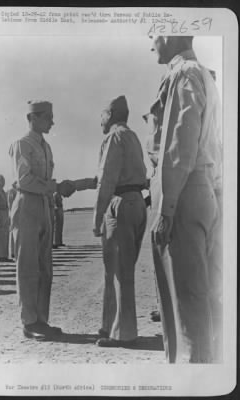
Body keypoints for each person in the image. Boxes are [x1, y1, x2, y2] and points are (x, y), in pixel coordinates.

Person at [147, 36, 222, 363]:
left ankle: (190, 384)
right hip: (200, 188)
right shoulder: (202, 73)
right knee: (198, 303)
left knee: (185, 310)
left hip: (184, 190)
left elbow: (180, 144)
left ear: (171, 34)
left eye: (154, 32)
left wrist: (167, 208)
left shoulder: (184, 73)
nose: (151, 41)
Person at [9, 100, 75, 340]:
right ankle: (29, 322)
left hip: (44, 205)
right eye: (48, 117)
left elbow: (44, 181)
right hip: (27, 204)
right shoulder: (22, 145)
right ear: (33, 118)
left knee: (45, 267)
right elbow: (24, 180)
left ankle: (41, 320)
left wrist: (56, 188)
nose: (52, 122)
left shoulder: (46, 147)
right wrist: (55, 186)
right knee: (27, 266)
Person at [92, 95, 148, 347]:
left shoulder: (113, 137)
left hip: (120, 204)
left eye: (102, 114)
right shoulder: (133, 136)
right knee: (123, 270)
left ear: (111, 115)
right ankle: (111, 326)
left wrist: (97, 217)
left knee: (117, 271)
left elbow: (106, 180)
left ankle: (123, 333)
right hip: (137, 202)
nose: (100, 120)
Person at [0, 175, 12, 263]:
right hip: (0, 214)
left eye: (3, 181)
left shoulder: (4, 192)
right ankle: (0, 255)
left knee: (5, 235)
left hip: (5, 213)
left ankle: (4, 255)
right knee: (0, 236)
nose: (2, 182)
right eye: (0, 181)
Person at [7, 181, 17, 259]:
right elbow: (10, 203)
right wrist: (11, 213)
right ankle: (13, 252)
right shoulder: (12, 191)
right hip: (13, 213)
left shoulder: (17, 191)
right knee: (13, 233)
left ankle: (16, 250)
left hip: (18, 213)